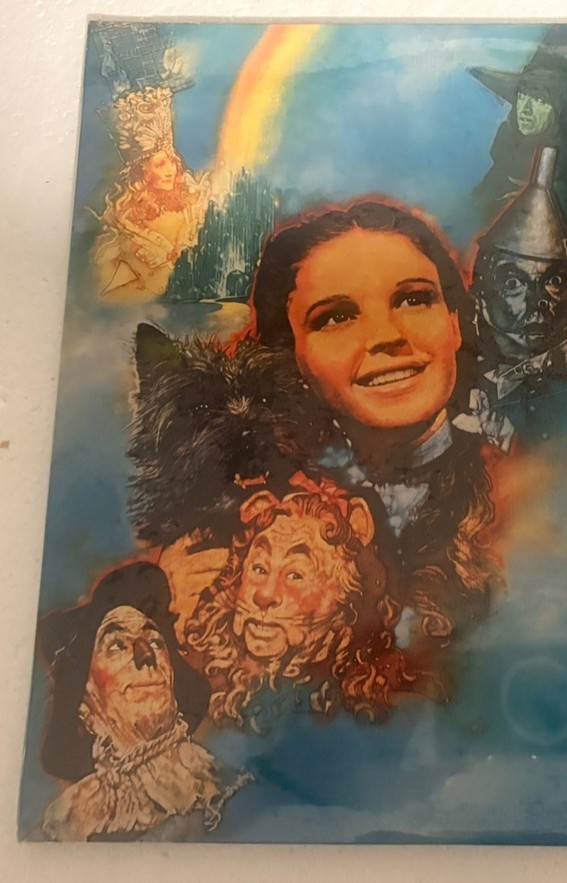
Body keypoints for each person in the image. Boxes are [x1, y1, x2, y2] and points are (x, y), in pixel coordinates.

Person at [251, 200, 501, 653]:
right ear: (293, 357)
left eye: (414, 299)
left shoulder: (523, 490)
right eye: (336, 317)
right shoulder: (264, 515)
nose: (387, 336)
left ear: (455, 324)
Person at [184, 475, 433, 728]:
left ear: (344, 600)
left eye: (295, 575)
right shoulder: (192, 671)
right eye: (259, 568)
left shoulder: (393, 711)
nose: (265, 595)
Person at [36, 563, 239, 841]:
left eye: (155, 641)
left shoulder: (226, 790)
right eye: (116, 645)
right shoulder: (68, 825)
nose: (146, 655)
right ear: (85, 692)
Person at [468, 147, 567, 444]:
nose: (537, 302)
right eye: (512, 283)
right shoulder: (461, 380)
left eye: (554, 281)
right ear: (482, 297)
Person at [469, 24, 567, 240]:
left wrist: (551, 204)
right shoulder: (508, 150)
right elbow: (475, 210)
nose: (525, 109)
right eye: (523, 96)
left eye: (539, 100)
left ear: (560, 110)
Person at [95, 86, 210, 301]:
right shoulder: (127, 226)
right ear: (142, 172)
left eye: (172, 162)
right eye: (160, 165)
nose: (170, 171)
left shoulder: (193, 205)